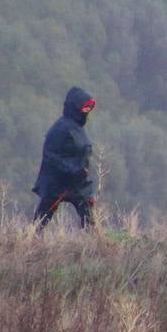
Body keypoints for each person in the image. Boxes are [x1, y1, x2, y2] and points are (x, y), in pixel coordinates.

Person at [32, 86, 97, 231]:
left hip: (79, 183)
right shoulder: (59, 129)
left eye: (89, 109)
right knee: (40, 221)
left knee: (89, 220)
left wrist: (81, 171)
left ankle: (97, 247)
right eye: (84, 108)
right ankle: (28, 244)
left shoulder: (78, 129)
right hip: (58, 182)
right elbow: (50, 155)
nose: (86, 112)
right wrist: (72, 169)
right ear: (75, 107)